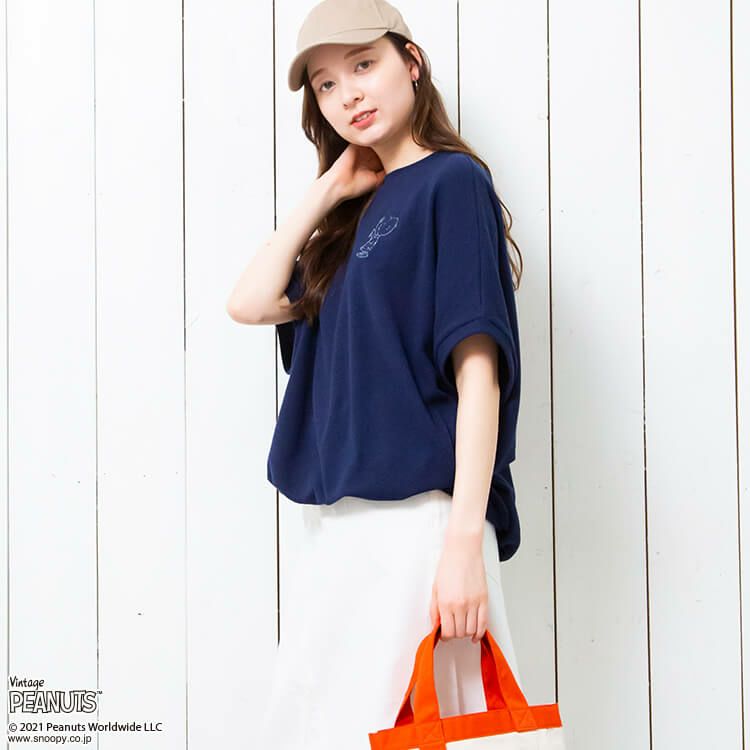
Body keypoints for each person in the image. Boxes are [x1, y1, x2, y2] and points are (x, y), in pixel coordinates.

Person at [226, 0, 526, 746]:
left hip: (422, 524)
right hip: (340, 528)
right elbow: (249, 302)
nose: (348, 94)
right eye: (326, 85)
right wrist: (328, 191)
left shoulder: (451, 183)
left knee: (434, 731)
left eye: (364, 65)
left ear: (411, 63)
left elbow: (478, 372)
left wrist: (463, 542)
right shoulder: (348, 219)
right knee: (330, 727)